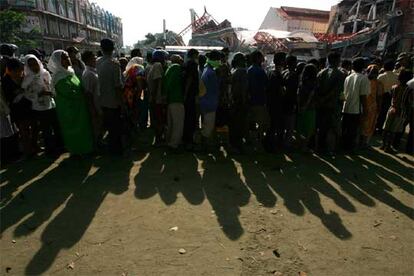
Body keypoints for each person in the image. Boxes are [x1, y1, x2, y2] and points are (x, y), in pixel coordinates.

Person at [47, 50, 93, 155]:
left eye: (67, 57)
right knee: (73, 131)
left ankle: (86, 149)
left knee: (83, 129)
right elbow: (69, 92)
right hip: (69, 109)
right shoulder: (59, 77)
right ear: (58, 61)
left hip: (79, 107)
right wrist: (83, 94)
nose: (68, 59)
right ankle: (77, 151)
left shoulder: (70, 71)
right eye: (64, 58)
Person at [22, 54, 63, 156]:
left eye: (35, 63)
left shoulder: (45, 73)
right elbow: (27, 94)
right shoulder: (27, 79)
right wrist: (39, 94)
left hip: (51, 103)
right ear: (28, 66)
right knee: (46, 129)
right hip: (39, 107)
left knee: (56, 126)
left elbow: (51, 85)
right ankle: (50, 149)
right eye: (31, 65)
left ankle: (60, 146)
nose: (34, 67)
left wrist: (51, 93)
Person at [2, 58, 37, 157]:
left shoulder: (24, 77)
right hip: (17, 110)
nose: (19, 73)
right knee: (24, 130)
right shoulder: (6, 80)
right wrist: (20, 91)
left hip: (28, 106)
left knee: (33, 128)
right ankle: (28, 150)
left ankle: (33, 146)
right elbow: (10, 95)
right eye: (16, 71)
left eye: (20, 70)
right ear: (10, 71)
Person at [96, 38, 124, 155]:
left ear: (101, 49)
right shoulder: (114, 64)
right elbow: (117, 86)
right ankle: (115, 150)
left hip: (101, 100)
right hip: (113, 102)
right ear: (113, 49)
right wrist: (122, 103)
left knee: (107, 126)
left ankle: (109, 148)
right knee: (115, 128)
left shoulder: (98, 62)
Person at [316, 52, 346, 153]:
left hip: (321, 104)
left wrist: (321, 99)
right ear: (337, 61)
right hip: (333, 105)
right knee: (332, 128)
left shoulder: (321, 72)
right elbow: (337, 91)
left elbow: (317, 89)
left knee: (321, 127)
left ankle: (319, 147)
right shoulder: (340, 74)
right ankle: (329, 149)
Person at [341, 57, 370, 152]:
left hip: (346, 107)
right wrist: (366, 110)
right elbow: (363, 96)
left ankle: (344, 146)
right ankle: (350, 148)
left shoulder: (348, 77)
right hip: (356, 109)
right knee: (353, 131)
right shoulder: (363, 78)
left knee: (345, 129)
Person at [382, 69, 413, 153]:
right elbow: (409, 103)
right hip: (401, 111)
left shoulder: (394, 87)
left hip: (391, 109)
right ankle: (388, 146)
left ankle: (383, 144)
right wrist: (408, 114)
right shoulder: (409, 90)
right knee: (394, 130)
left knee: (386, 128)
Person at [199, 50, 221, 150]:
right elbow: (215, 88)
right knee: (208, 126)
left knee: (206, 124)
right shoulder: (211, 72)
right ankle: (205, 146)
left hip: (205, 101)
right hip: (210, 102)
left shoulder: (206, 69)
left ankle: (206, 144)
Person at [247, 50, 269, 150]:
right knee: (261, 123)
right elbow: (266, 85)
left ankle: (251, 140)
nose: (263, 59)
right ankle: (259, 142)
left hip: (251, 100)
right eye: (261, 57)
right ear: (258, 58)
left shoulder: (249, 70)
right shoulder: (260, 71)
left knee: (251, 122)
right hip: (259, 100)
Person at [228, 53, 249, 153]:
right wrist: (245, 101)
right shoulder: (242, 72)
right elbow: (243, 89)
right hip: (240, 101)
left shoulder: (233, 70)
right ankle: (238, 146)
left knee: (233, 125)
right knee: (240, 125)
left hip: (233, 101)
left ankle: (233, 145)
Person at [266, 52, 286, 151]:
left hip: (270, 102)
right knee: (275, 126)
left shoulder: (270, 72)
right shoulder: (278, 74)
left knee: (271, 126)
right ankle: (273, 146)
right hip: (277, 103)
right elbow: (281, 90)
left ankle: (269, 144)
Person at [81, 51, 102, 148]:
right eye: (93, 58)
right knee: (95, 126)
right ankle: (96, 145)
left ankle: (99, 143)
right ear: (87, 60)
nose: (95, 60)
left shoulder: (93, 71)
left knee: (99, 125)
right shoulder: (88, 74)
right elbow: (88, 93)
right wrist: (92, 109)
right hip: (94, 104)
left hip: (98, 102)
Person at [164, 55, 185, 150]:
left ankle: (169, 142)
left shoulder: (169, 68)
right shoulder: (177, 68)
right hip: (177, 99)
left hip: (170, 100)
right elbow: (171, 83)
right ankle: (174, 145)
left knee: (171, 123)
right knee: (178, 124)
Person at [147, 49, 168, 145]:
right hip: (157, 99)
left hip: (155, 98)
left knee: (157, 119)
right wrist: (155, 97)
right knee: (158, 120)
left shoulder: (153, 66)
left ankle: (159, 138)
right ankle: (159, 139)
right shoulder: (157, 66)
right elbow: (157, 82)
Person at [296, 64, 318, 152]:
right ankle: (305, 147)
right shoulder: (314, 82)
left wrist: (299, 106)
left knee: (300, 127)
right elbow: (311, 94)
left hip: (300, 106)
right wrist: (306, 105)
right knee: (309, 128)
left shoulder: (301, 81)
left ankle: (300, 145)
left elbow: (298, 94)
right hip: (310, 107)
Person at [360, 64, 383, 147]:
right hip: (363, 105)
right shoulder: (364, 80)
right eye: (372, 72)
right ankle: (361, 142)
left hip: (371, 107)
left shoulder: (378, 83)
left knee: (368, 125)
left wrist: (379, 107)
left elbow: (379, 97)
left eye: (375, 72)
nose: (373, 74)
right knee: (363, 124)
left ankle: (364, 142)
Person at [122, 56, 145, 136]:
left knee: (128, 111)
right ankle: (133, 131)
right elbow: (139, 85)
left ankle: (129, 130)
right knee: (134, 111)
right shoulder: (139, 69)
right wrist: (139, 97)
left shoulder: (131, 68)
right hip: (132, 94)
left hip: (126, 93)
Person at [183, 48, 200, 149]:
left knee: (187, 118)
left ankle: (186, 139)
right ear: (194, 55)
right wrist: (186, 93)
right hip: (190, 95)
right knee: (191, 118)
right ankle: (189, 141)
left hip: (188, 95)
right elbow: (190, 79)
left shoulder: (185, 64)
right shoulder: (193, 65)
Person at [281, 55, 298, 147]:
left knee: (283, 124)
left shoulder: (284, 72)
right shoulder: (293, 75)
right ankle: (287, 144)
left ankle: (282, 141)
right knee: (290, 127)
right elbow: (292, 91)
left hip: (283, 101)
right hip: (290, 102)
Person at [377, 60, 398, 133]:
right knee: (386, 113)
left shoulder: (381, 76)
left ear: (384, 67)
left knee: (379, 113)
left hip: (381, 96)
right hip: (391, 97)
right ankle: (382, 128)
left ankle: (377, 127)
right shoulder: (397, 77)